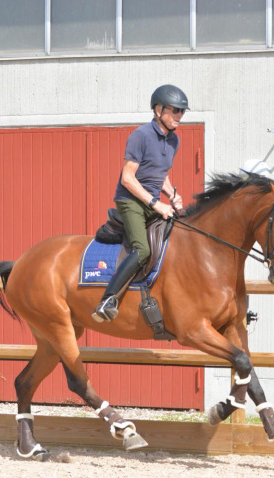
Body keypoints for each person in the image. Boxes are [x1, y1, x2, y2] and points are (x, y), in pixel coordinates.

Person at [92, 84, 188, 323]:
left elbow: (160, 174)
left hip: (152, 201)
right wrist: (156, 203)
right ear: (158, 110)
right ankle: (108, 300)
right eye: (175, 110)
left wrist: (172, 195)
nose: (179, 115)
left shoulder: (173, 140)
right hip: (131, 201)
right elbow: (127, 178)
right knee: (142, 249)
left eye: (182, 111)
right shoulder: (141, 136)